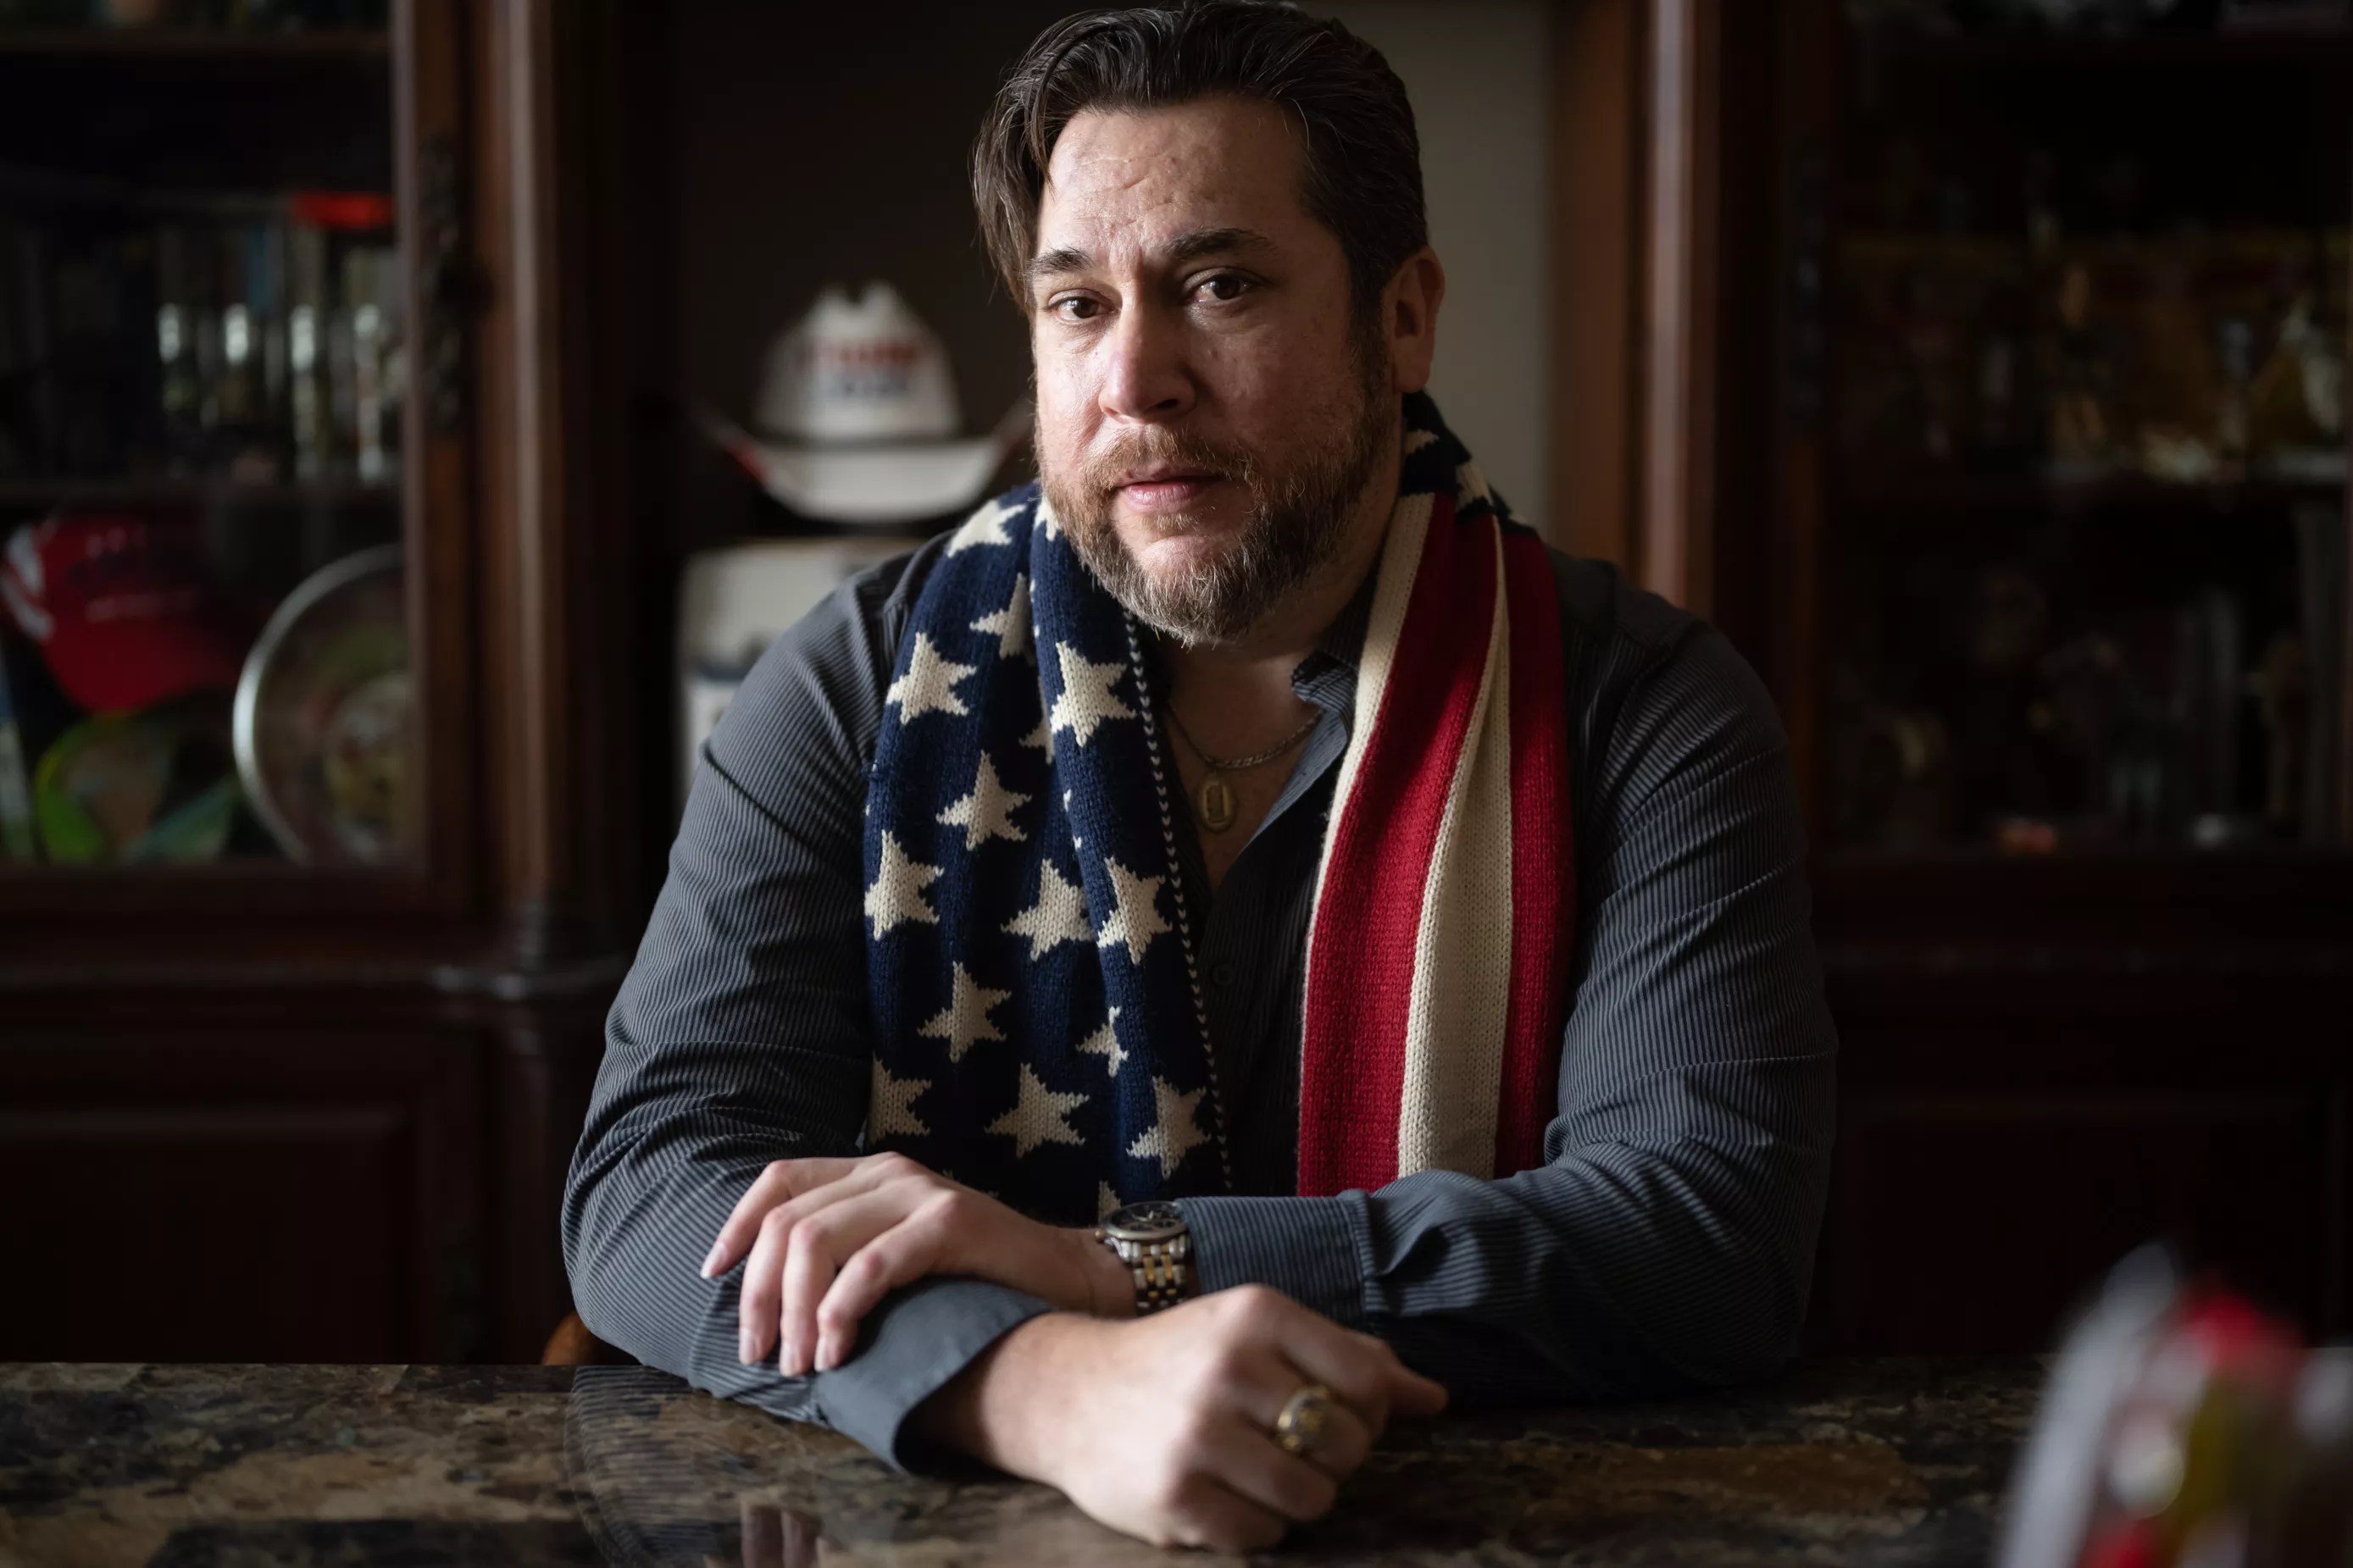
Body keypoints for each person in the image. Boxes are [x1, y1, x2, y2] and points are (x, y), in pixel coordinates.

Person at [563, 1, 1838, 1552]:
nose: (1137, 379)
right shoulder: (855, 683)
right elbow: (651, 1193)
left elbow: (1702, 1239)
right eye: (1076, 304)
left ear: (1402, 318)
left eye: (1220, 286)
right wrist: (1038, 1383)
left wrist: (1116, 1268)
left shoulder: (1640, 709)